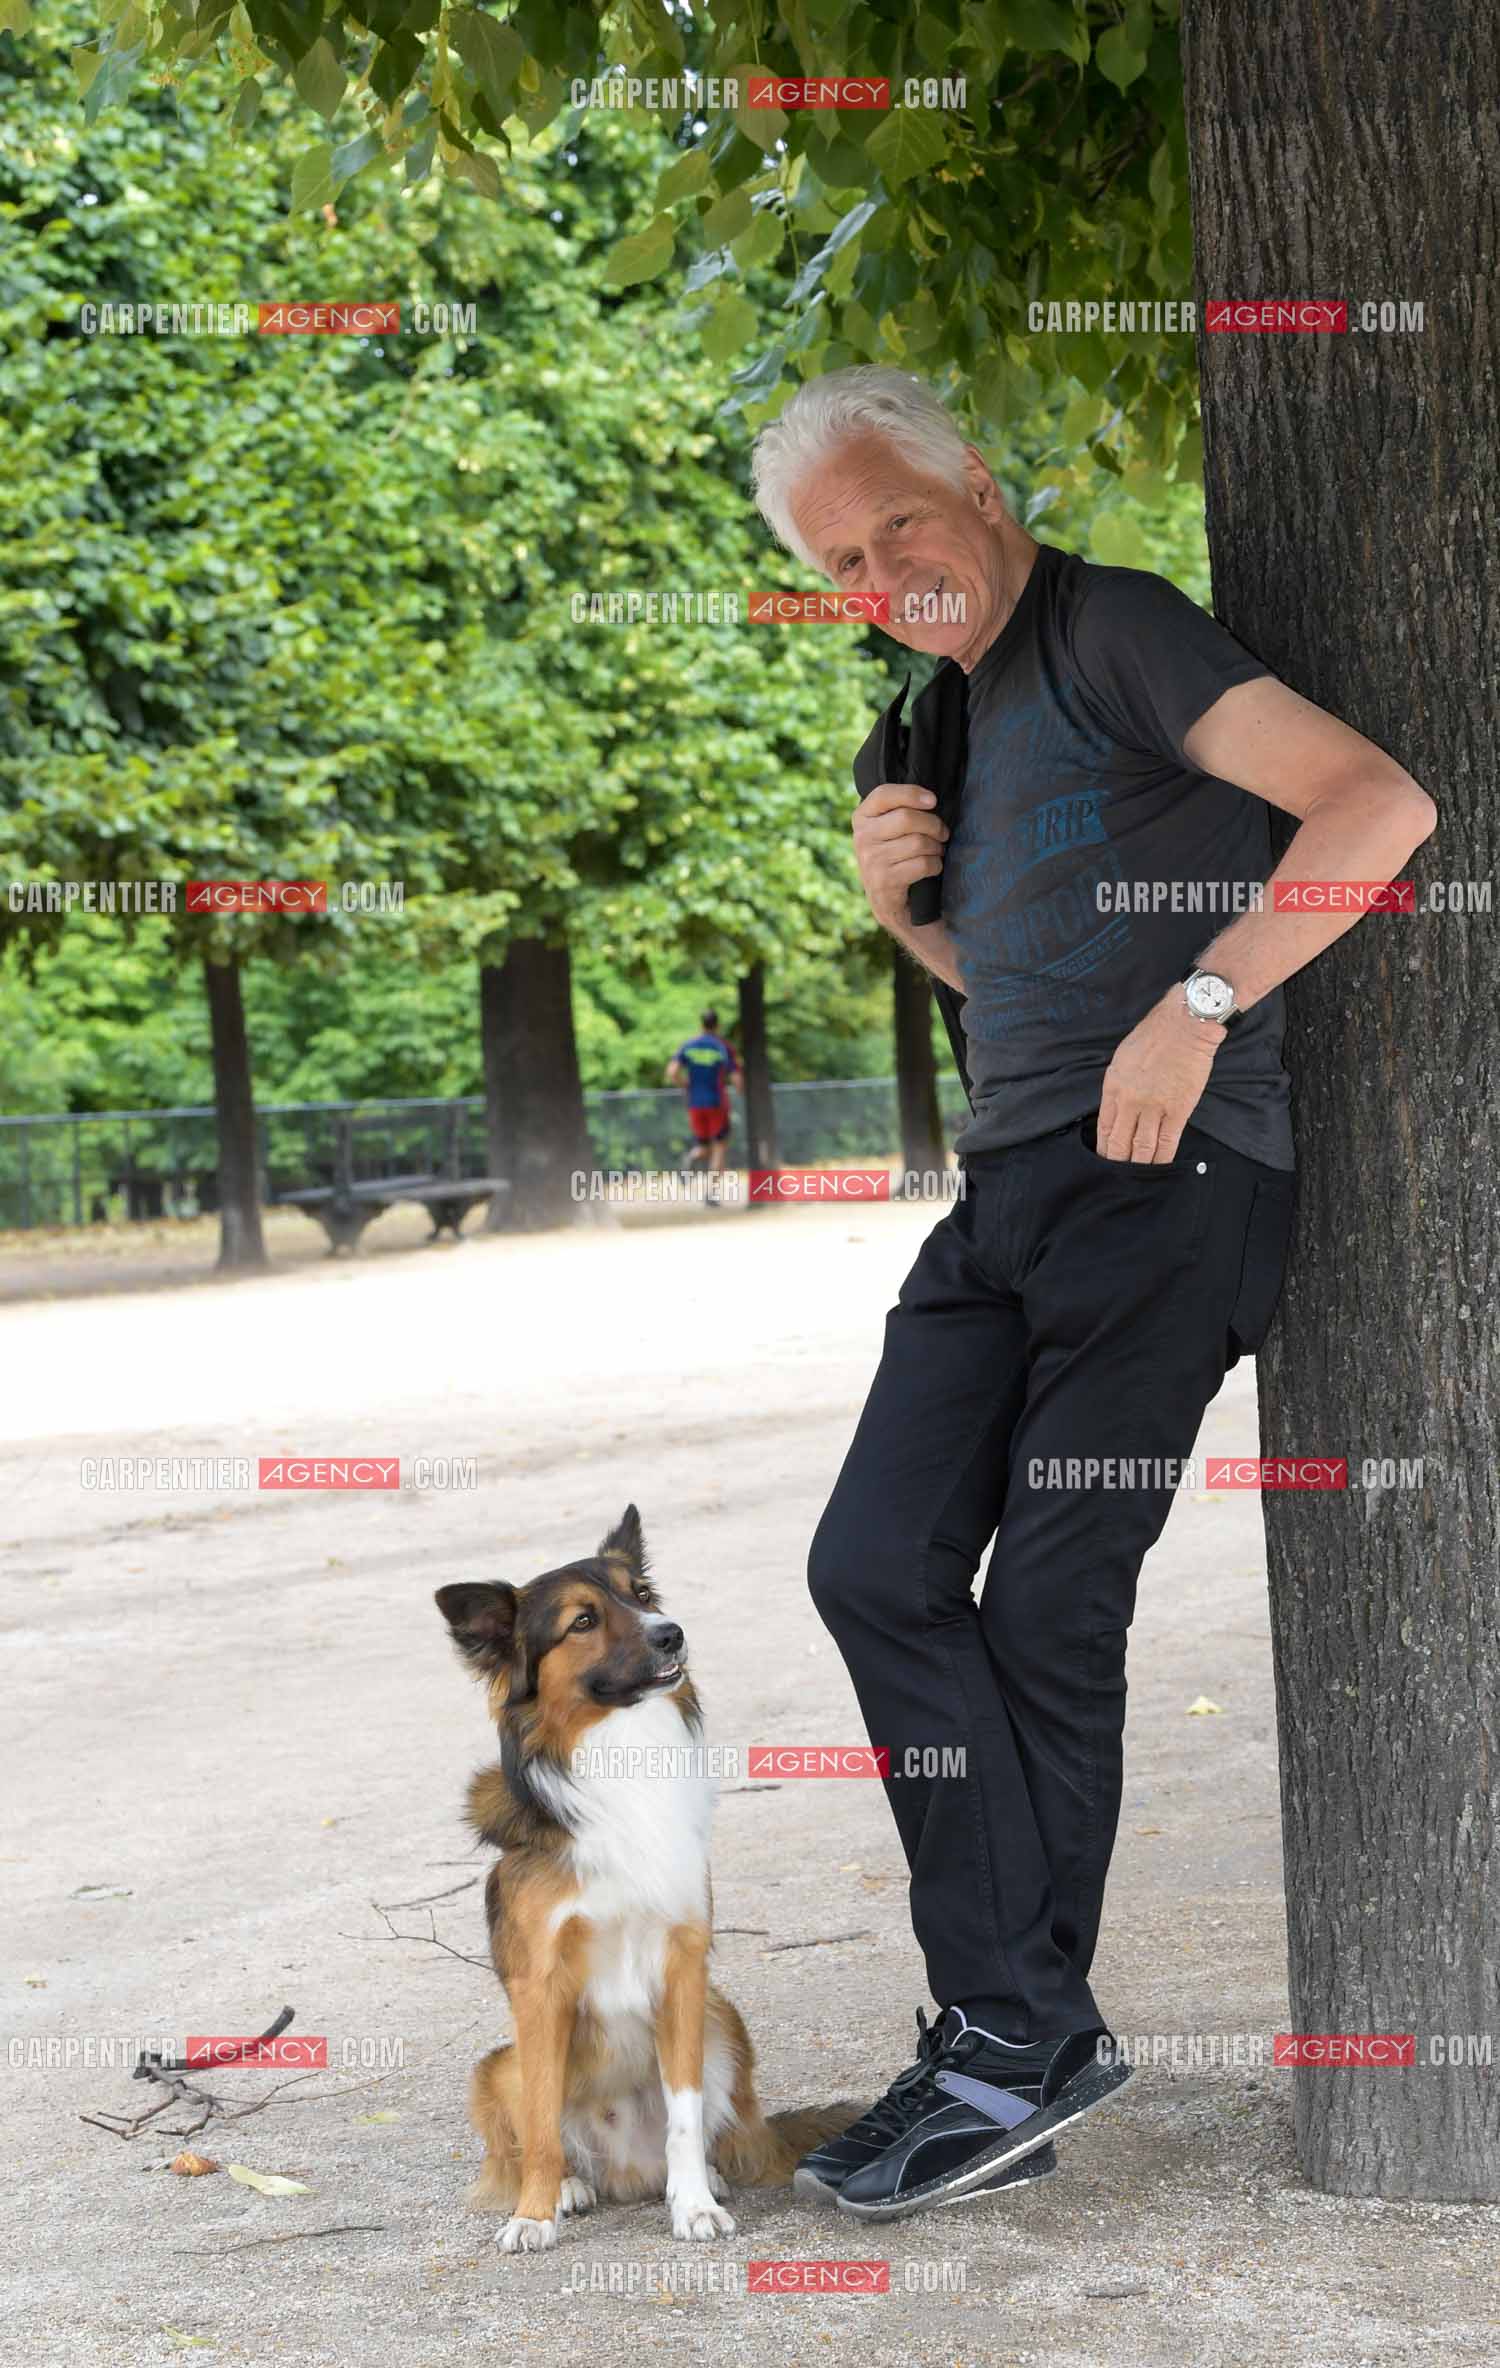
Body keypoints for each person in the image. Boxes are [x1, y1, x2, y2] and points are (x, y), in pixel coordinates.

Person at [747, 365, 1437, 2221]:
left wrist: (1204, 1005)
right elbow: (1018, 996)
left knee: (1052, 1598)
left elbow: (1377, 805)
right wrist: (913, 921)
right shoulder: (918, 733)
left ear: (974, 473)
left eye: (899, 518)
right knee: (872, 1563)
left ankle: (1002, 2037)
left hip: (1179, 1189)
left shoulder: (1114, 627)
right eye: (843, 559)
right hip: (1011, 1196)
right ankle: (1023, 2025)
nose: (887, 565)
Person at [665, 1009, 740, 1201]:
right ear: (717, 1025)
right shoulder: (722, 1047)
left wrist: (686, 1086)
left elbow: (672, 1071)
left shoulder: (688, 1046)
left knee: (704, 1146)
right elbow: (736, 1078)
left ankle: (690, 1159)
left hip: (695, 1104)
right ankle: (711, 1194)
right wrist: (741, 1092)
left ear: (701, 1024)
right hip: (717, 1103)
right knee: (719, 1148)